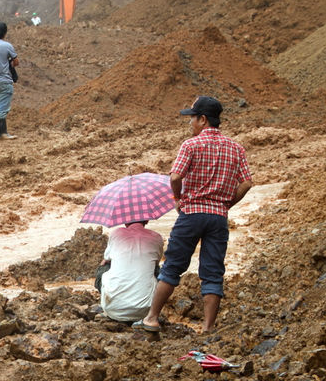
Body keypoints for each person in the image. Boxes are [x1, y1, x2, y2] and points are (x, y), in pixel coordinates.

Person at [134, 96, 252, 334]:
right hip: (218, 217)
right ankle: (208, 328)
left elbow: (176, 177)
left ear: (203, 119)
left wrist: (178, 200)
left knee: (173, 266)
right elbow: (247, 183)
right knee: (212, 272)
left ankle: (152, 318)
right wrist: (227, 204)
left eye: (192, 118)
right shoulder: (236, 148)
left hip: (192, 213)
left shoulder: (191, 145)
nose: (190, 124)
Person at [98, 221, 164, 322]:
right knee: (156, 269)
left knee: (104, 266)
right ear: (147, 220)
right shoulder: (157, 237)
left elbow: (106, 258)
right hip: (145, 311)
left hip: (112, 309)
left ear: (124, 221)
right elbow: (156, 261)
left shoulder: (116, 233)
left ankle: (110, 300)